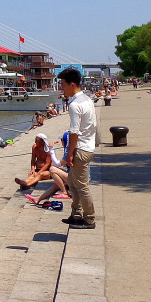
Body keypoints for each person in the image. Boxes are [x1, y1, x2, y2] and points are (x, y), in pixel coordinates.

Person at [59, 68, 97, 230]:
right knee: (73, 184)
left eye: (63, 85)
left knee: (81, 186)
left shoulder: (75, 105)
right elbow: (93, 125)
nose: (62, 88)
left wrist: (69, 154)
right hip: (88, 147)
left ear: (72, 84)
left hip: (80, 149)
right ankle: (76, 214)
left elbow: (74, 132)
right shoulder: (87, 100)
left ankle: (89, 219)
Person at [26, 132, 71, 205]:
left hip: (76, 180)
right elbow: (33, 160)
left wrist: (51, 149)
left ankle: (65, 193)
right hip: (74, 177)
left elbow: (57, 164)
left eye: (62, 140)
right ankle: (37, 199)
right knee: (57, 184)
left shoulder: (69, 152)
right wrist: (33, 169)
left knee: (52, 169)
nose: (61, 142)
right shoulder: (70, 150)